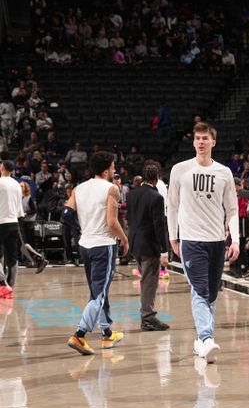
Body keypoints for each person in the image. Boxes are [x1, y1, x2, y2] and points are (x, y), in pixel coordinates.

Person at [168, 122, 240, 363]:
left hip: (217, 241)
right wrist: (173, 236)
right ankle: (207, 338)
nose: (200, 142)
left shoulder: (224, 173)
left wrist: (236, 240)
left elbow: (231, 209)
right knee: (199, 290)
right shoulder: (180, 170)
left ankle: (201, 339)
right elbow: (173, 206)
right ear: (193, 142)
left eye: (205, 138)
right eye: (197, 138)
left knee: (211, 293)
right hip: (191, 240)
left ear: (213, 142)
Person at [62, 151, 128, 355]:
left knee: (98, 290)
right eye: (114, 166)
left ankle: (107, 331)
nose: (115, 169)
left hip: (85, 245)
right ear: (107, 169)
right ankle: (79, 335)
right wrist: (124, 239)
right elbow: (111, 221)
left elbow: (66, 215)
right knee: (99, 293)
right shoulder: (112, 189)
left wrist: (82, 227)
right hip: (103, 245)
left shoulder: (79, 189)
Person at [126, 161, 170, 331]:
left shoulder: (132, 194)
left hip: (135, 243)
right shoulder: (157, 196)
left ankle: (147, 315)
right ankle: (148, 318)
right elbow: (159, 226)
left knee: (145, 282)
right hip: (149, 246)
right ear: (157, 178)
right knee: (149, 283)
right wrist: (164, 250)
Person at [0, 161, 25, 298]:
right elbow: (20, 209)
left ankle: (2, 285)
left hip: (1, 222)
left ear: (2, 168)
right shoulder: (17, 184)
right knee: (12, 258)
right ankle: (10, 288)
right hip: (14, 223)